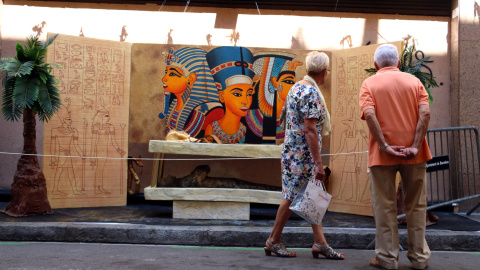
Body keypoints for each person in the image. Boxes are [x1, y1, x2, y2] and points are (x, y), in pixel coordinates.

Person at [264, 51, 344, 260]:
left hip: (294, 151)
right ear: (325, 72)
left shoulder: (296, 87)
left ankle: (320, 242)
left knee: (311, 195)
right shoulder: (311, 93)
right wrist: (319, 164)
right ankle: (273, 240)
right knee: (291, 197)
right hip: (302, 154)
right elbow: (310, 130)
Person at [359, 44, 432, 270]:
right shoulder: (415, 82)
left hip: (383, 155)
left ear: (375, 65)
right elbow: (425, 112)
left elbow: (369, 114)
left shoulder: (368, 84)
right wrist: (415, 145)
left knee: (384, 206)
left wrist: (384, 145)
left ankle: (387, 259)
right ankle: (419, 258)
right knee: (417, 206)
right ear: (399, 63)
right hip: (415, 154)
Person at [160, 47, 220, 137]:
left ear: (191, 79)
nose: (164, 79)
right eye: (166, 72)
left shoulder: (208, 110)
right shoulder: (174, 103)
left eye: (172, 74)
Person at [204, 46, 256, 143]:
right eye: (237, 94)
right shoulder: (211, 129)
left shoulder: (248, 131)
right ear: (222, 96)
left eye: (249, 94)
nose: (245, 101)